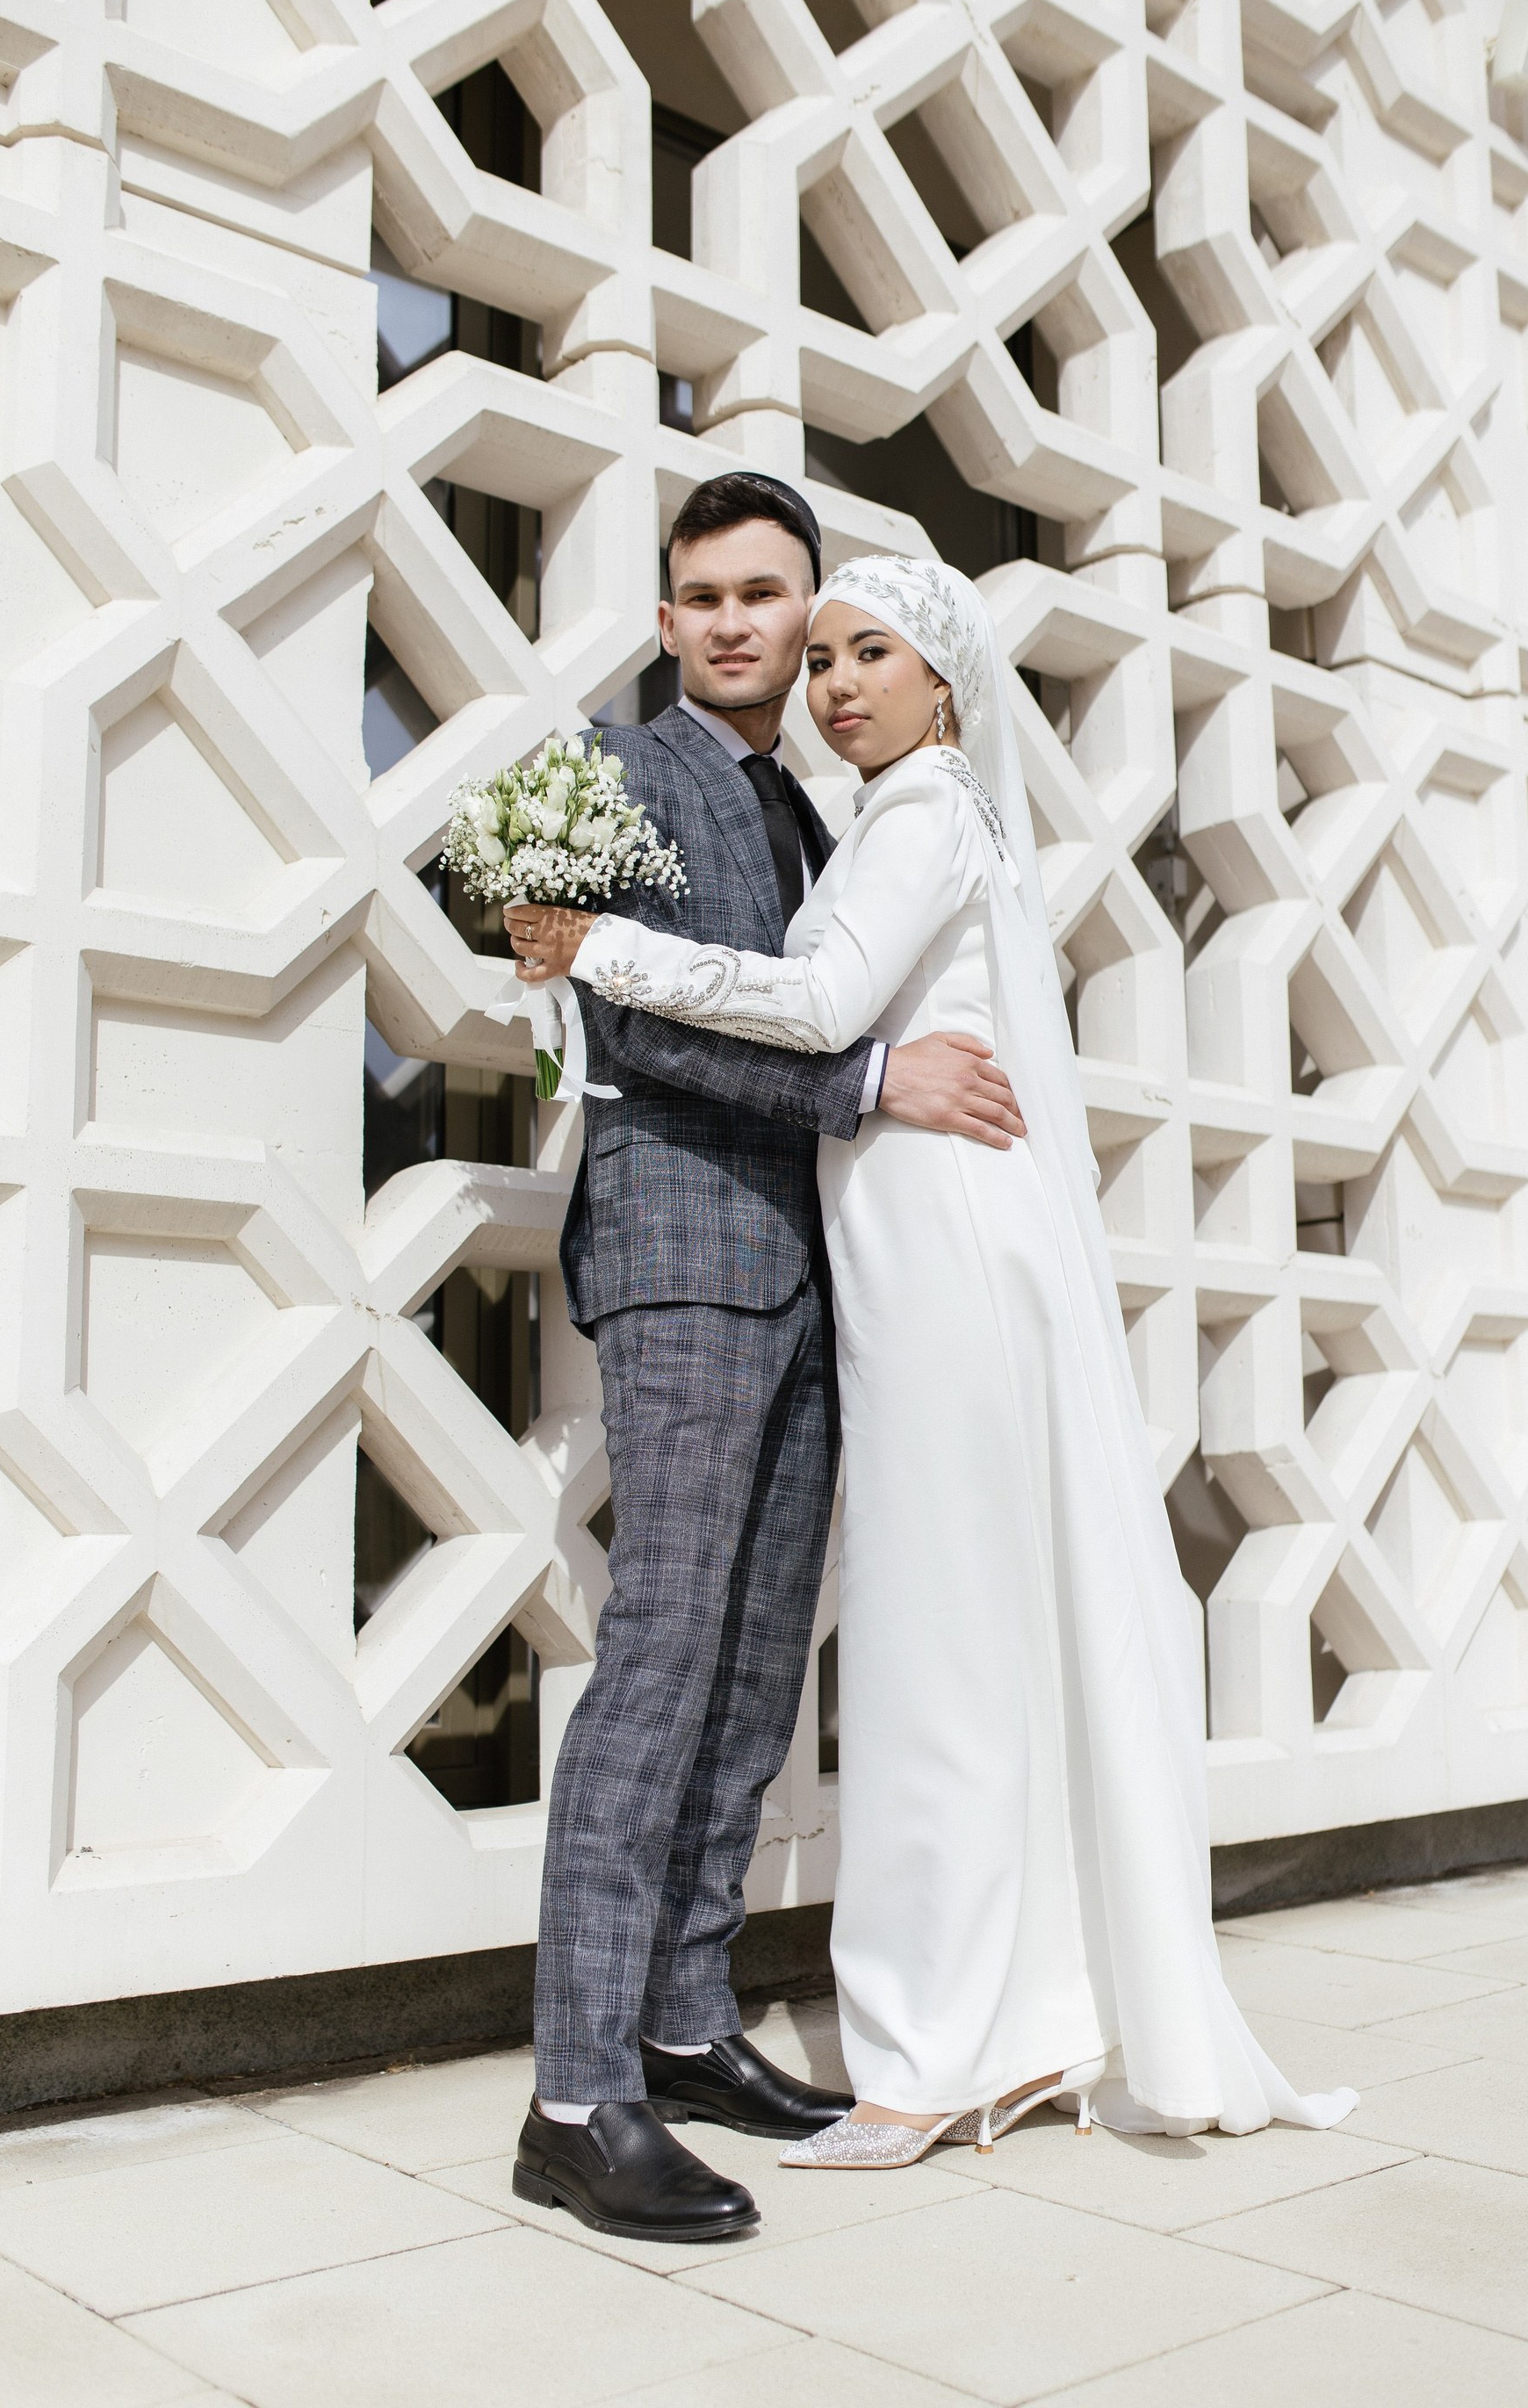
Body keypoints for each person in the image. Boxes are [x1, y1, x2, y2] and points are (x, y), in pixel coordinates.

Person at [508, 553, 1359, 2161]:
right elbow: (833, 1031)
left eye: (861, 650)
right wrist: (618, 969)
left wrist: (605, 947)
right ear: (670, 622)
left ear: (946, 684)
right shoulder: (772, 794)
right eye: (819, 652)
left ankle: (918, 2044)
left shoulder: (907, 812)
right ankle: (732, 2060)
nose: (830, 679)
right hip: (841, 1247)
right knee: (892, 1631)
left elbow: (826, 1000)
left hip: (933, 1247)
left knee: (922, 1633)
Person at [513, 487, 1030, 2241]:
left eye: (767, 597)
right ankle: (575, 2096)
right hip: (681, 1261)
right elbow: (616, 1014)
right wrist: (869, 1086)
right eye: (703, 597)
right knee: (661, 1659)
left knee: (750, 1681)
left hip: (823, 1276)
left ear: (812, 621)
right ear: (666, 622)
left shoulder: (828, 810)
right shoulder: (609, 770)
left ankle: (683, 2021)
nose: (736, 624)